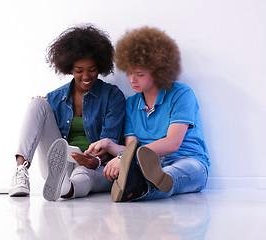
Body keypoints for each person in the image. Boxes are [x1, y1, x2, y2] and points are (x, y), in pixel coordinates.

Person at [85, 26, 209, 202]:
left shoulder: (181, 94)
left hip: (187, 161)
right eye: (129, 73)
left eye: (140, 74)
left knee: (169, 175)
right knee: (148, 173)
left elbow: (172, 143)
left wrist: (124, 158)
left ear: (159, 72)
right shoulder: (132, 103)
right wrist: (110, 146)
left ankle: (140, 186)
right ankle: (139, 185)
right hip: (148, 164)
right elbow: (132, 149)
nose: (132, 80)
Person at [9, 25, 126, 201]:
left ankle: (66, 188)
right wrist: (41, 107)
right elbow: (46, 135)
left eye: (92, 69)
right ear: (69, 68)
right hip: (60, 163)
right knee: (37, 103)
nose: (86, 76)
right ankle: (21, 172)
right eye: (79, 70)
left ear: (100, 66)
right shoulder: (55, 98)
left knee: (84, 174)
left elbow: (110, 142)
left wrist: (93, 161)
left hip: (96, 165)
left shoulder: (112, 96)